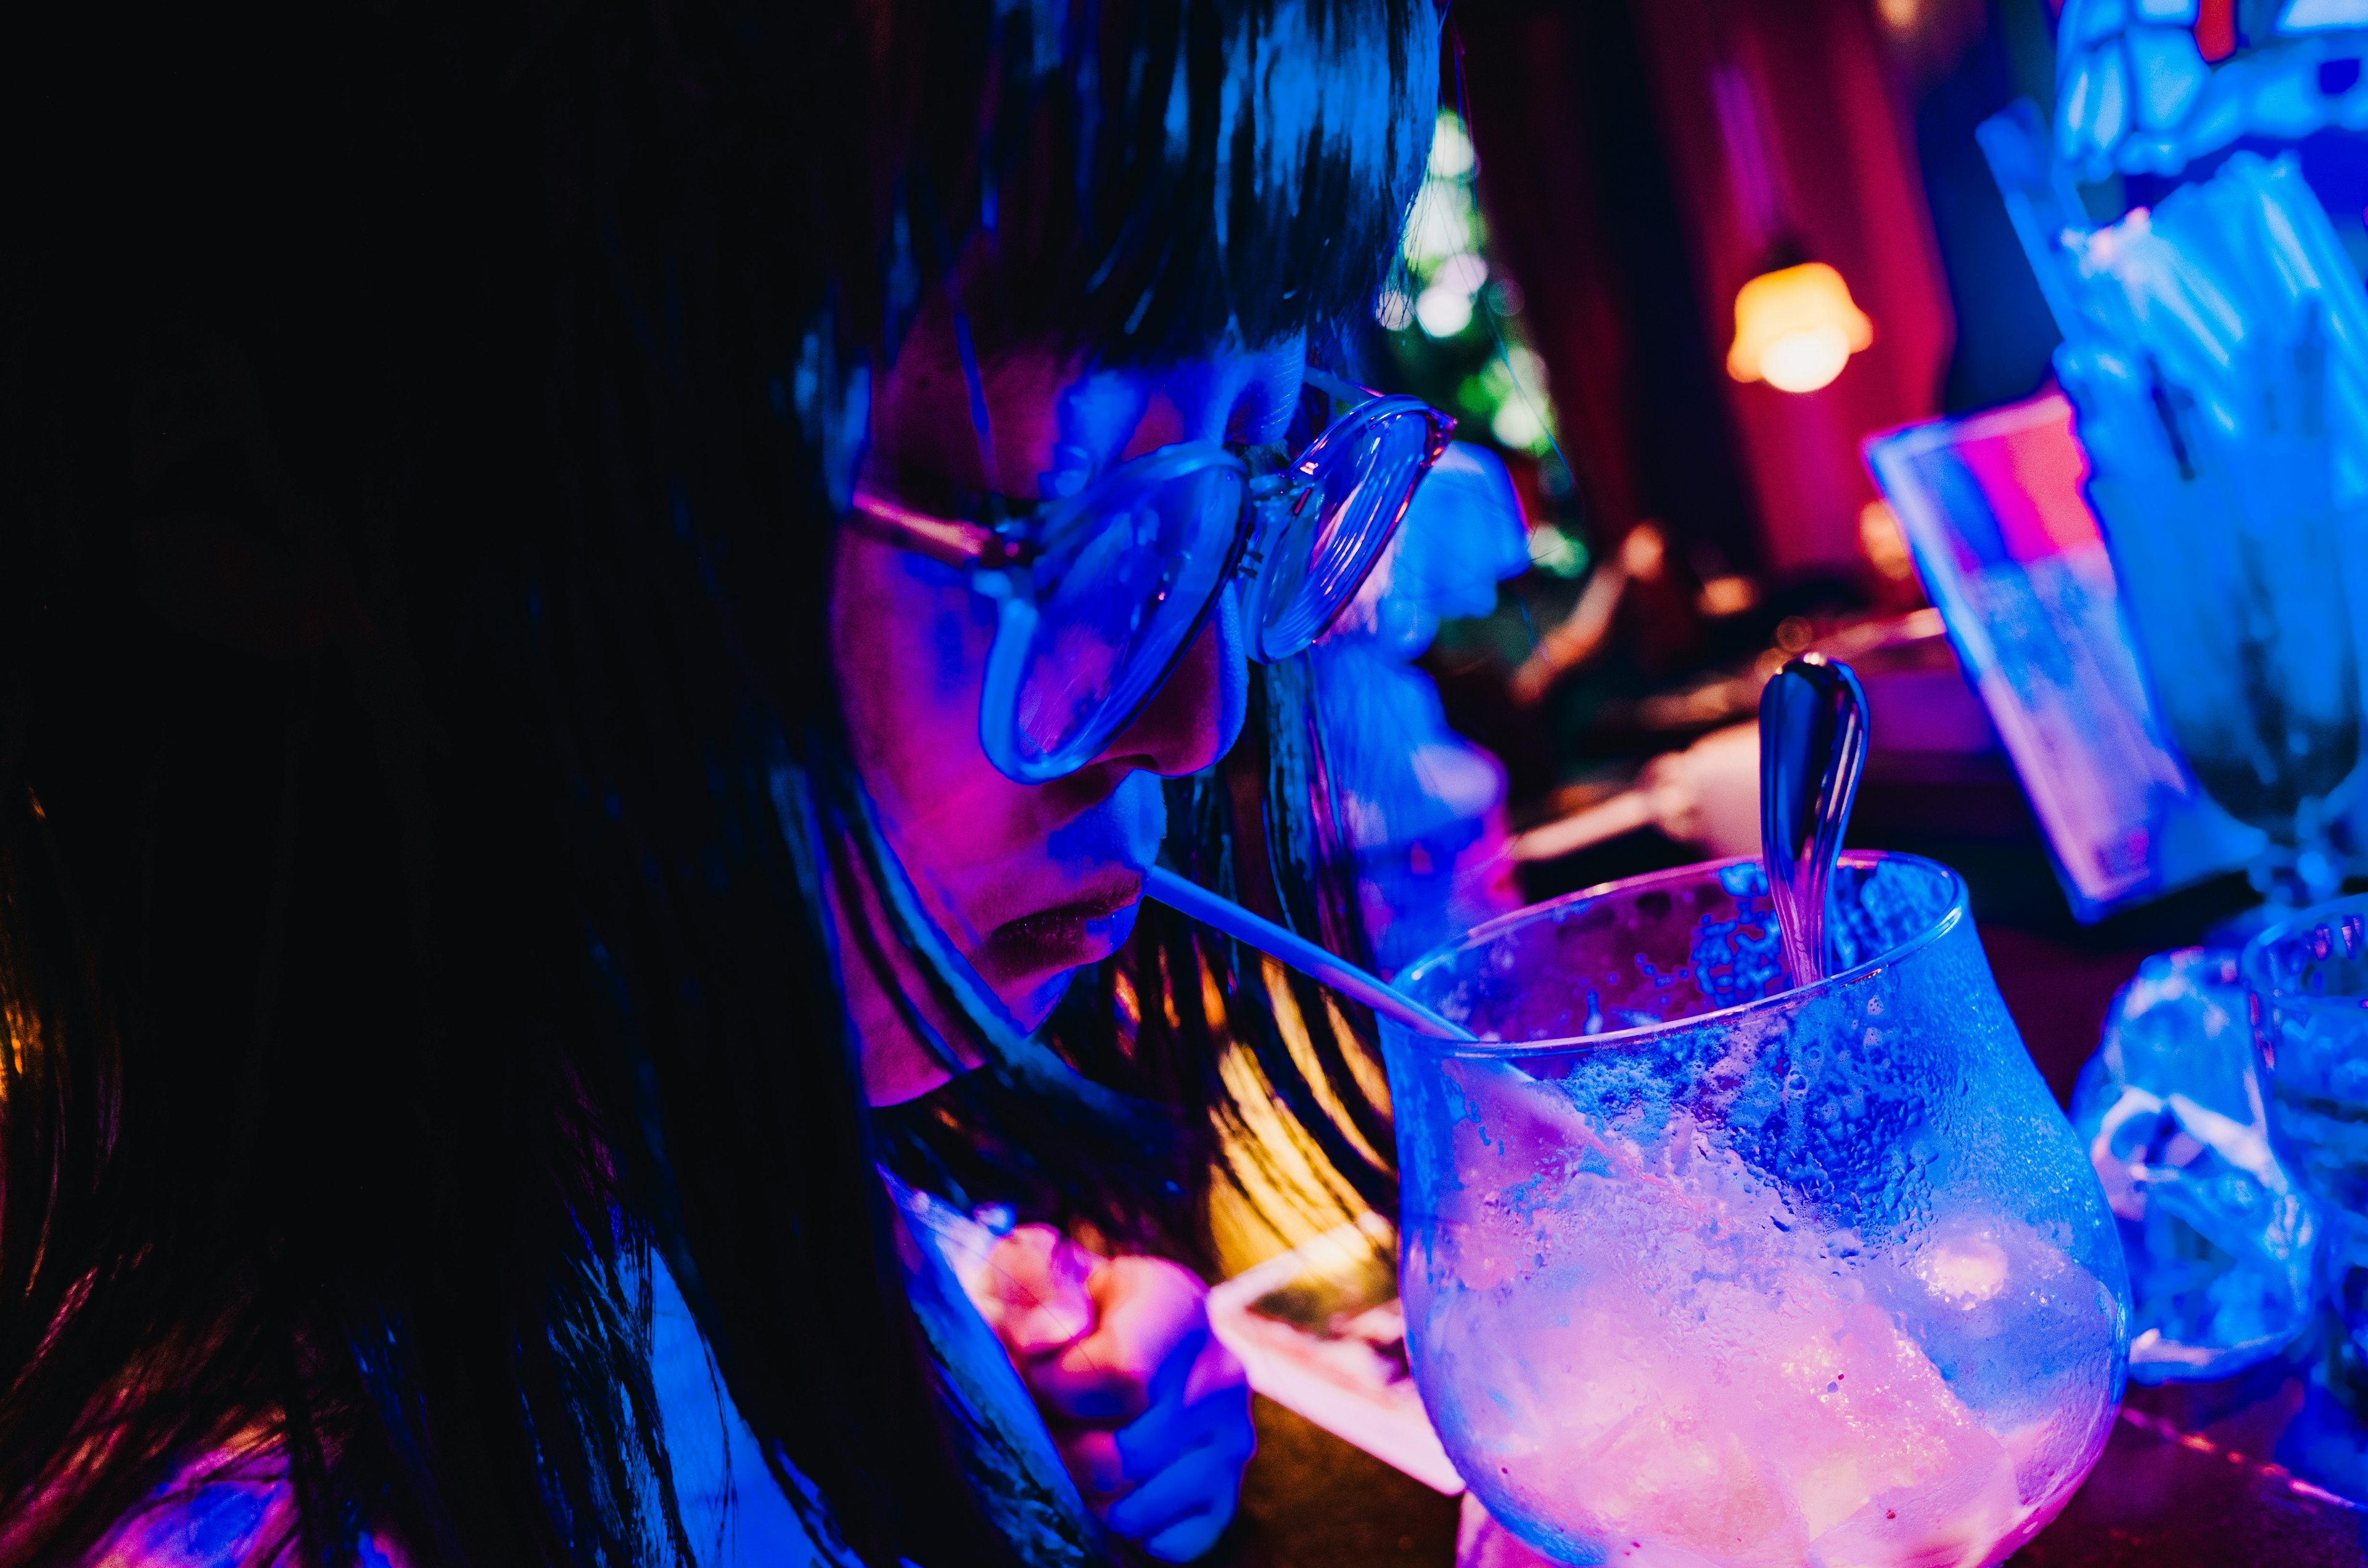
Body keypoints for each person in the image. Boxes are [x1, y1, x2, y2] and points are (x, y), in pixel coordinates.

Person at [0, 1, 1441, 1564]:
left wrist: (999, 1355)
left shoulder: (687, 1186)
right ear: (278, 487)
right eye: (1063, 494)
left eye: (1256, 467)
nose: (1199, 711)